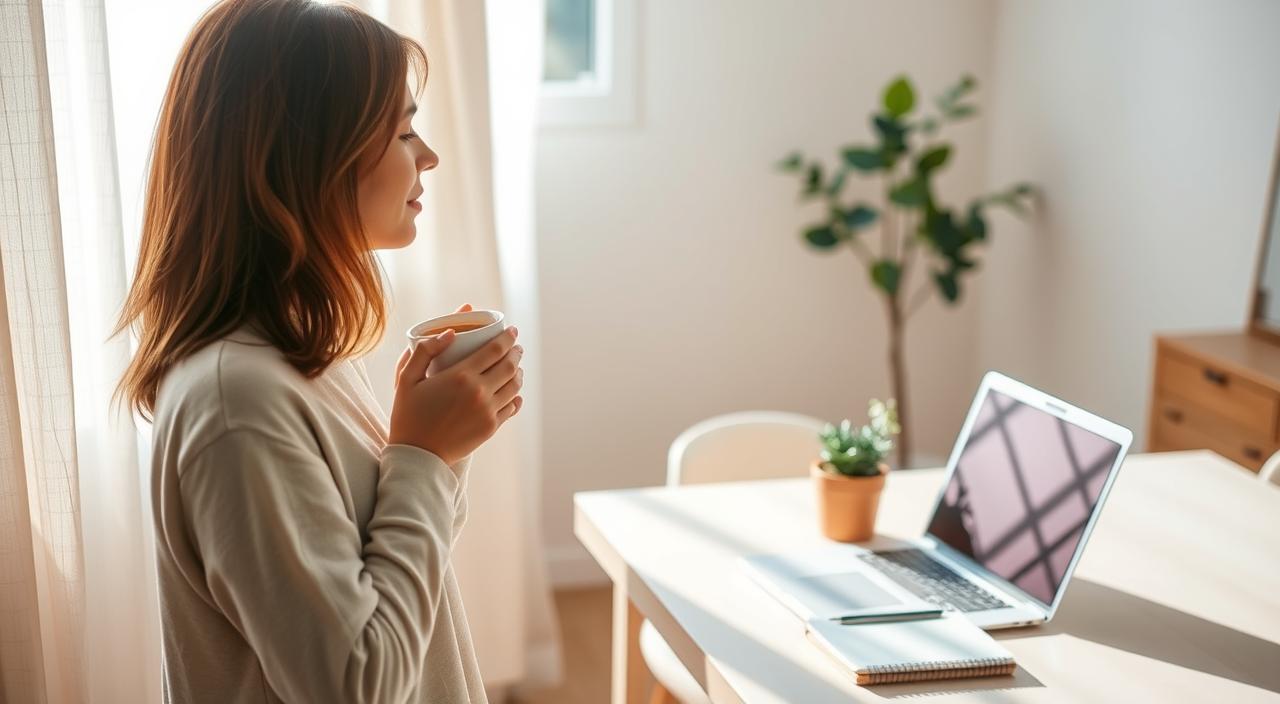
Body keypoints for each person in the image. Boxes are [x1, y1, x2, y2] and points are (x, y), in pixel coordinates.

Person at [111, 1, 518, 701]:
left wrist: (441, 445)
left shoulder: (300, 352)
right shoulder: (235, 402)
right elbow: (355, 684)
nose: (429, 156)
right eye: (402, 130)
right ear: (309, 160)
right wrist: (421, 457)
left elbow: (394, 569)